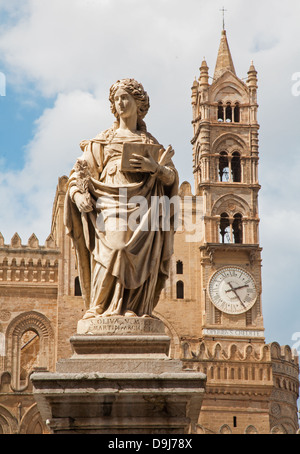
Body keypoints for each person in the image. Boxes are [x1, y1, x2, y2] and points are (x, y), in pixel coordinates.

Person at [64, 78, 178, 319]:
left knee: (139, 255)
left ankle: (132, 307)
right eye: (116, 99)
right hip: (109, 198)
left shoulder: (150, 143)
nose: (120, 103)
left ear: (139, 104)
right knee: (116, 246)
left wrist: (154, 167)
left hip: (144, 205)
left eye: (125, 98)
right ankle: (99, 306)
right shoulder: (102, 141)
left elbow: (170, 179)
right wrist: (78, 195)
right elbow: (77, 174)